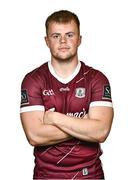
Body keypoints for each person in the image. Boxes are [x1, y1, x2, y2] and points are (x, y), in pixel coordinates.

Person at [20, 10, 114, 179]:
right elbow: (34, 135)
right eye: (56, 36)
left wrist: (55, 118)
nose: (63, 41)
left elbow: (101, 131)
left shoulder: (97, 79)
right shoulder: (33, 80)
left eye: (69, 35)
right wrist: (84, 125)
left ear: (79, 39)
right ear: (47, 41)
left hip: (89, 175)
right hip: (46, 176)